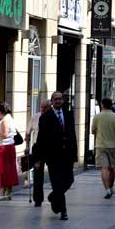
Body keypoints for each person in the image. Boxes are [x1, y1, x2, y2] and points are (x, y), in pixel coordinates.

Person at [36, 91, 77, 220]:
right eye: (55, 99)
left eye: (60, 99)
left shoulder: (69, 114)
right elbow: (41, 139)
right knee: (58, 183)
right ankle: (63, 211)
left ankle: (53, 197)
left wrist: (74, 154)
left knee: (69, 180)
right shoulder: (45, 117)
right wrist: (38, 158)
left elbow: (73, 135)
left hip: (67, 155)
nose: (58, 101)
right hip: (53, 157)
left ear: (63, 101)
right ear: (52, 102)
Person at [91, 98, 115, 199]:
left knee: (104, 168)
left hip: (101, 146)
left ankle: (107, 190)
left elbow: (93, 131)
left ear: (102, 105)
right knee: (112, 168)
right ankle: (111, 187)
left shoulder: (97, 117)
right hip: (113, 146)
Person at [0, 102, 19, 201]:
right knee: (9, 170)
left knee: (2, 171)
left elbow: (5, 134)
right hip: (9, 147)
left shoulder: (5, 120)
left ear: (1, 111)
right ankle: (8, 193)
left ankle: (2, 193)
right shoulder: (9, 118)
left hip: (3, 148)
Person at [26, 99, 50, 207]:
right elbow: (28, 132)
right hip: (38, 150)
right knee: (38, 175)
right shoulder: (35, 117)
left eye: (46, 107)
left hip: (50, 150)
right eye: (42, 107)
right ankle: (38, 199)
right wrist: (27, 146)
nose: (43, 109)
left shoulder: (53, 117)